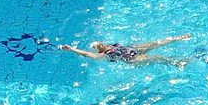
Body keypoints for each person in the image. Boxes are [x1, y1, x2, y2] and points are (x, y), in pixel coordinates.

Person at [61, 35, 191, 67]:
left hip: (133, 48)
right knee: (157, 58)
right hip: (132, 59)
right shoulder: (102, 56)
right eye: (97, 45)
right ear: (98, 50)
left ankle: (180, 38)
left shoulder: (110, 45)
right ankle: (178, 63)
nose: (100, 43)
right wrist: (72, 49)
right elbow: (85, 53)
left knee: (156, 43)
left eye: (98, 42)